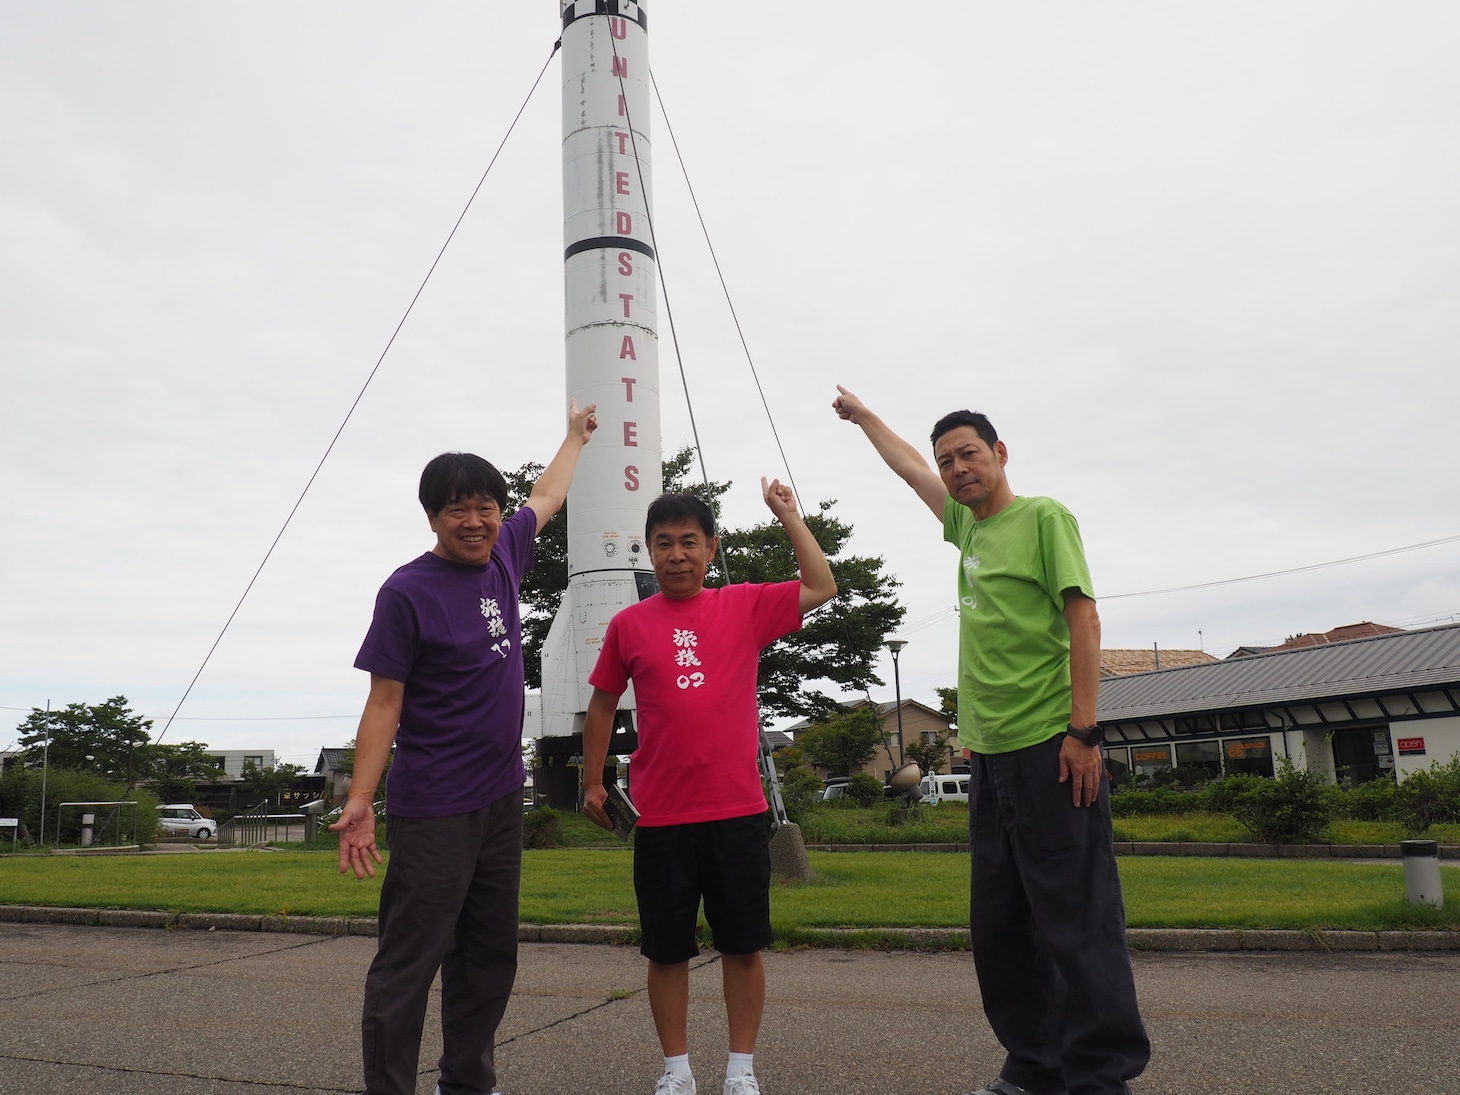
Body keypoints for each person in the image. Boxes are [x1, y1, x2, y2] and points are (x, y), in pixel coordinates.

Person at [832, 386, 1149, 1095]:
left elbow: (1085, 619)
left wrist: (1083, 730)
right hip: (991, 757)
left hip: (1053, 748)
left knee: (1077, 918)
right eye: (949, 460)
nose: (955, 468)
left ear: (1001, 454)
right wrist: (863, 419)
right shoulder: (967, 529)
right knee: (1003, 926)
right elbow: (907, 466)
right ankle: (1035, 1066)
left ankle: (1100, 1077)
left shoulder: (1043, 517)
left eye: (968, 454)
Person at [331, 400, 597, 1095]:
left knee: (488, 956)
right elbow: (384, 702)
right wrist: (360, 798)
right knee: (410, 961)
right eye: (457, 509)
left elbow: (547, 496)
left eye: (485, 506)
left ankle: (468, 1083)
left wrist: (573, 436)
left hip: (501, 797)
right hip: (434, 806)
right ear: (431, 518)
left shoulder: (504, 552)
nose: (475, 520)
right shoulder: (406, 591)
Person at [580, 482, 837, 1095]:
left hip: (736, 811)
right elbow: (601, 703)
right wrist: (592, 781)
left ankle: (741, 1069)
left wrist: (790, 518)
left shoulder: (744, 605)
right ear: (648, 551)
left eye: (688, 542)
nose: (675, 555)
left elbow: (822, 586)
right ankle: (676, 1071)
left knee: (743, 947)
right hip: (662, 818)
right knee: (666, 952)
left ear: (710, 548)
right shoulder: (628, 625)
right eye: (663, 543)